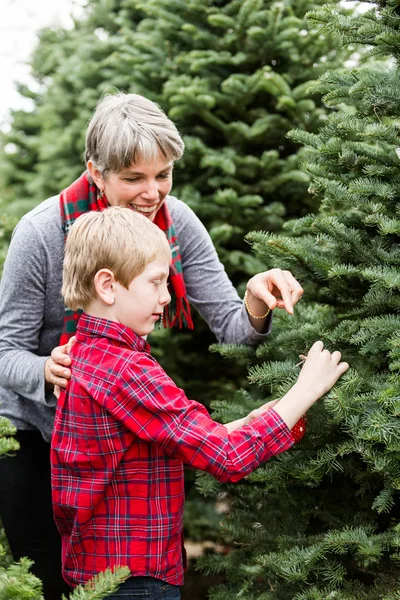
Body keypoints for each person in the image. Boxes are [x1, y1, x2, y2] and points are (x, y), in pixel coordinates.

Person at [0, 92, 304, 600]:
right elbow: (6, 351)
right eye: (133, 178)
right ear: (96, 171)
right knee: (53, 581)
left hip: (120, 431)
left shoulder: (177, 222)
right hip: (35, 432)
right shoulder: (42, 233)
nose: (152, 192)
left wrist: (255, 300)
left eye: (162, 174)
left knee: (138, 570)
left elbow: (232, 325)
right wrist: (45, 373)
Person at [51, 206, 349, 599]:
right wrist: (305, 389)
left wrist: (251, 421)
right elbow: (226, 458)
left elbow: (187, 437)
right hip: (133, 583)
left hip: (100, 573)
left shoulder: (87, 354)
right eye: (156, 283)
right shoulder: (125, 369)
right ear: (107, 285)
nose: (167, 296)